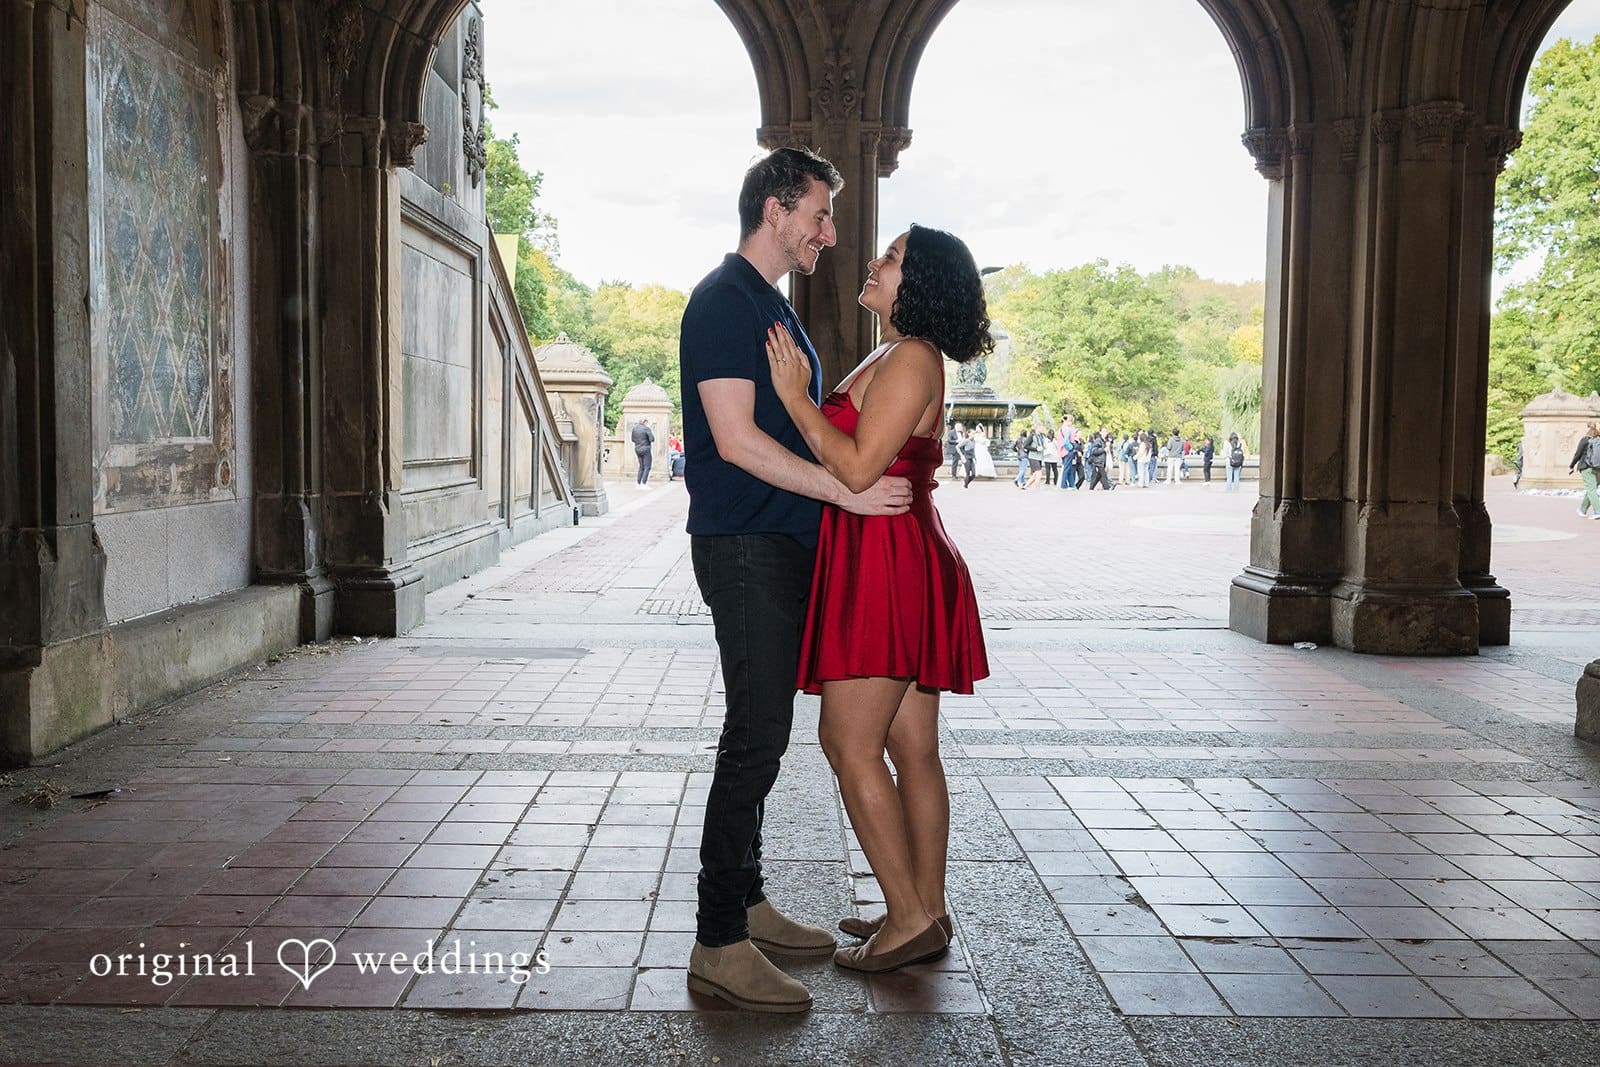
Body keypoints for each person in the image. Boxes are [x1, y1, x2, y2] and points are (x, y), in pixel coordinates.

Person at [678, 147, 915, 1014]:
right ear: (775, 211)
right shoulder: (720, 302)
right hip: (744, 546)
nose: (829, 231)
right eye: (818, 212)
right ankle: (718, 942)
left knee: (763, 730)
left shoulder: (769, 306)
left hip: (776, 545)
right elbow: (735, 441)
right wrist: (846, 493)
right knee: (757, 735)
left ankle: (746, 902)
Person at [766, 223, 991, 977]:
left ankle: (907, 918)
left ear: (918, 281)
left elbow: (860, 468)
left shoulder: (910, 357)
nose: (875, 261)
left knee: (847, 741)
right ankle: (923, 905)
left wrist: (797, 401)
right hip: (897, 554)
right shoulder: (901, 353)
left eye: (891, 258)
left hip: (887, 561)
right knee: (910, 748)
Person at [1571, 421, 1600, 519]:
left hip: (1587, 467)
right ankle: (1583, 509)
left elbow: (1578, 454)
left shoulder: (1585, 440)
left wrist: (1571, 466)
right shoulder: (1599, 440)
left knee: (1591, 490)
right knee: (1592, 489)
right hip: (1599, 468)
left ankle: (1598, 511)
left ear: (1587, 429)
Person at [631, 417, 656, 486]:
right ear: (645, 422)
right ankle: (644, 483)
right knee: (647, 466)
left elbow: (632, 439)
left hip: (637, 448)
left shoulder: (634, 428)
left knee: (641, 466)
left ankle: (638, 483)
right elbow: (652, 439)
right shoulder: (646, 428)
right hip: (646, 449)